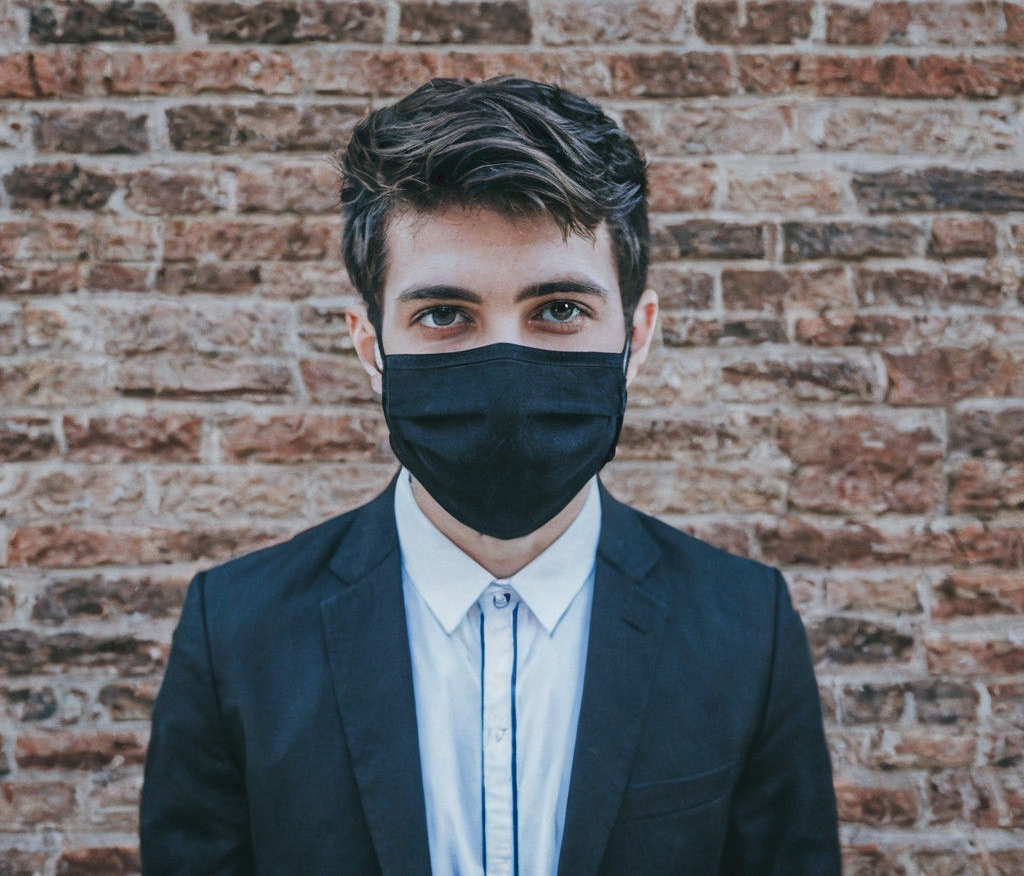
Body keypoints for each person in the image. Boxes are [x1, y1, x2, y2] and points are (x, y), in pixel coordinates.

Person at [139, 75, 841, 876]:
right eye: (444, 315)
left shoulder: (746, 629)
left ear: (636, 338)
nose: (505, 364)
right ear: (371, 346)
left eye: (559, 310)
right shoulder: (236, 632)